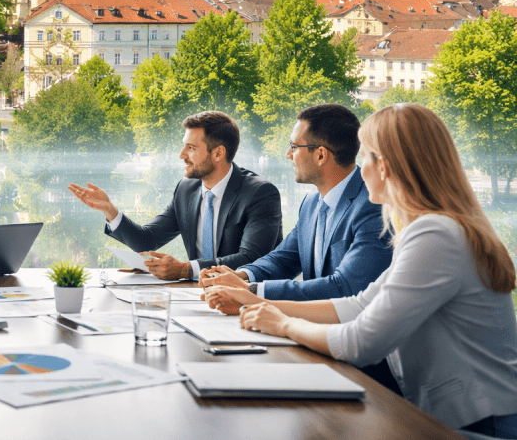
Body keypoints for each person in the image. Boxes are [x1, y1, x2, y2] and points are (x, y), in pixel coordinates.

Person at [206, 103, 517, 438]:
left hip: (484, 424)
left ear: (384, 166)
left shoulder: (436, 235)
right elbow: (358, 305)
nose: (358, 168)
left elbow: (361, 341)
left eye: (364, 156)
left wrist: (282, 323)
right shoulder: (435, 228)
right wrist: (257, 302)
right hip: (464, 416)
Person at [200, 104, 392, 301]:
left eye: (294, 147)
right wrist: (241, 276)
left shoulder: (374, 207)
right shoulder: (312, 202)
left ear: (320, 155)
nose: (288, 155)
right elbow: (284, 259)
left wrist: (251, 291)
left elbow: (345, 286)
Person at [69, 111, 282, 281]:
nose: (181, 155)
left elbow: (252, 259)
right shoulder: (186, 189)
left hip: (249, 301)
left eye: (191, 148)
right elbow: (147, 240)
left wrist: (185, 269)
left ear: (218, 153)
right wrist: (110, 210)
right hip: (199, 295)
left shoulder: (260, 193)